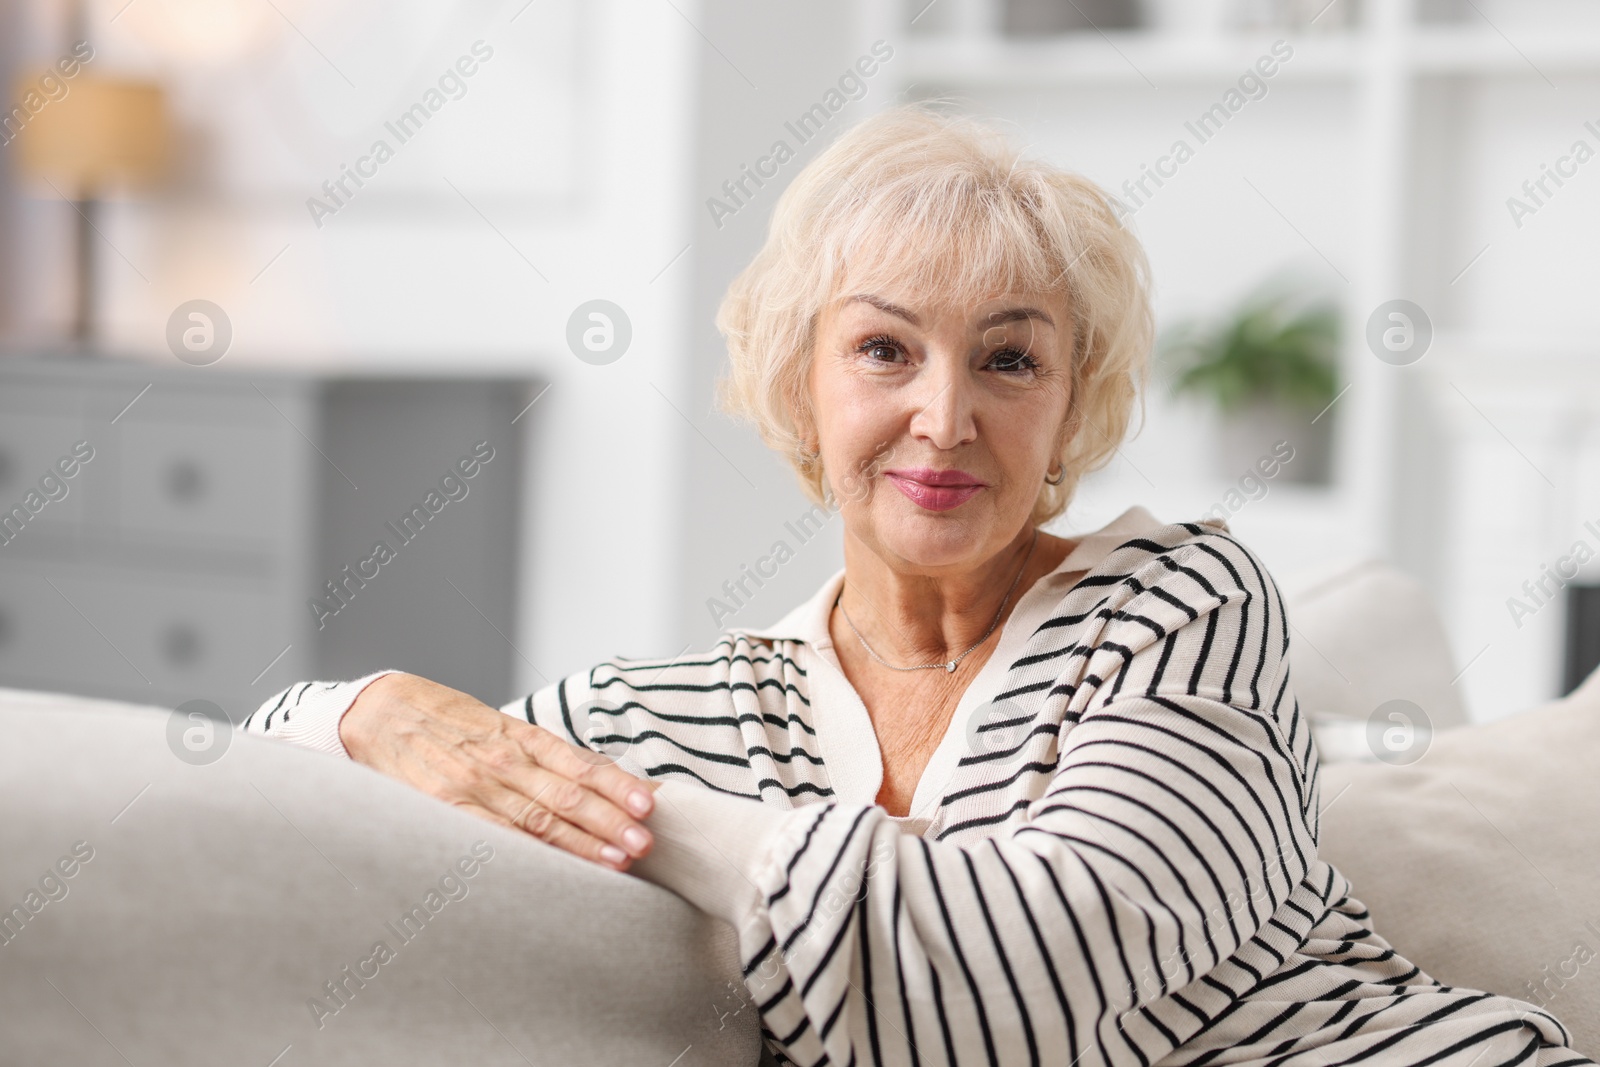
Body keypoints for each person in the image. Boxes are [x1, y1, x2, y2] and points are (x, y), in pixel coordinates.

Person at [243, 104, 1593, 1067]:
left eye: (1009, 362)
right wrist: (366, 711)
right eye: (886, 350)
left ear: (1070, 409)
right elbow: (281, 777)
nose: (945, 418)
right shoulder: (699, 709)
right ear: (800, 386)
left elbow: (1047, 984)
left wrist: (664, 832)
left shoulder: (1185, 610)